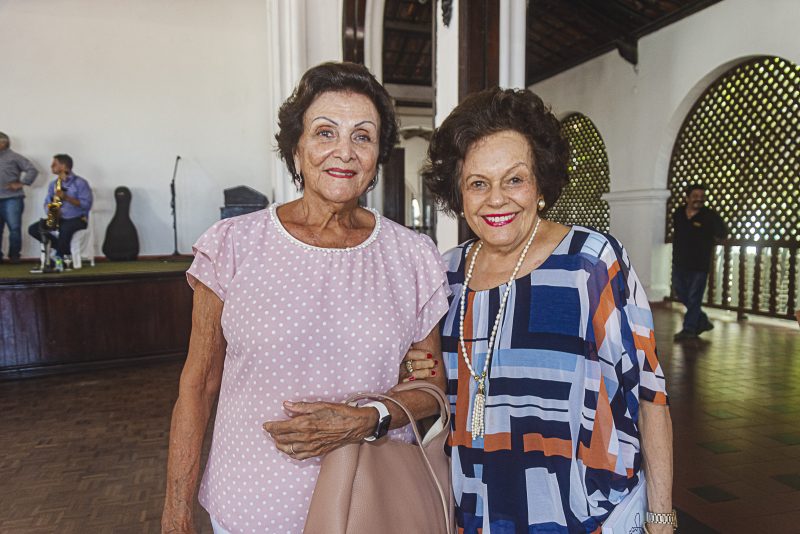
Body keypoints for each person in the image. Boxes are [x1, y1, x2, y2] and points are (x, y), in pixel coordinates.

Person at [161, 62, 450, 534]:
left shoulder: (412, 256)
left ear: (377, 157)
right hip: (250, 506)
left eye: (363, 136)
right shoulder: (233, 245)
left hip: (369, 505)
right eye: (325, 132)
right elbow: (196, 387)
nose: (344, 151)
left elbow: (429, 390)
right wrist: (175, 514)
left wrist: (366, 418)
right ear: (296, 149)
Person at [404, 87, 675, 533]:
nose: (496, 199)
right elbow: (433, 385)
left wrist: (661, 518)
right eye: (478, 183)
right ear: (458, 192)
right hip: (483, 513)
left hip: (588, 514)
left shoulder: (590, 262)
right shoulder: (447, 276)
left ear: (540, 184)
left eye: (514, 179)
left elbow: (649, 395)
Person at [671, 184, 727, 341]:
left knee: (694, 297)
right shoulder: (679, 213)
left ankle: (689, 329)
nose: (699, 199)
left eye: (702, 196)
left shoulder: (709, 216)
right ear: (687, 198)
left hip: (699, 264)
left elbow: (722, 233)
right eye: (695, 196)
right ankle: (701, 320)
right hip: (680, 262)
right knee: (681, 293)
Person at [28, 154, 93, 267]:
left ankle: (58, 258)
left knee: (65, 228)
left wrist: (67, 198)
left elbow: (86, 204)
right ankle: (62, 249)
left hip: (76, 219)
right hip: (57, 217)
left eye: (54, 164)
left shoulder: (80, 183)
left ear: (63, 166)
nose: (51, 166)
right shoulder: (53, 184)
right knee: (34, 229)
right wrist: (50, 211)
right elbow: (47, 202)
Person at [0, 132, 39, 263]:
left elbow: (32, 170)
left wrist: (21, 183)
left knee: (14, 228)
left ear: (3, 143)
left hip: (12, 198)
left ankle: (14, 256)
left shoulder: (14, 157)